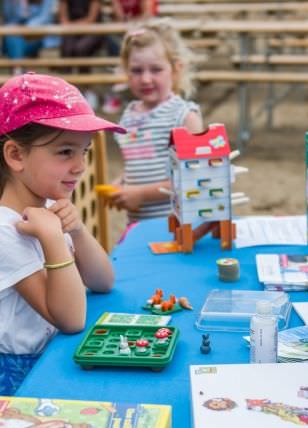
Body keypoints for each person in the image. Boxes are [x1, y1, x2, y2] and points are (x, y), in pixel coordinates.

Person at [0, 72, 126, 395]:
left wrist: (77, 231)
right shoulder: (6, 230)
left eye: (83, 152)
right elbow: (70, 318)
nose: (80, 166)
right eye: (65, 152)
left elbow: (103, 280)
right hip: (18, 382)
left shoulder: (46, 211)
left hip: (49, 360)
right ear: (16, 155)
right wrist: (55, 240)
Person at [111, 18, 203, 223]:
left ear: (176, 69)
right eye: (136, 70)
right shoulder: (128, 115)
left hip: (178, 226)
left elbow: (194, 178)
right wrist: (122, 183)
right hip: (137, 224)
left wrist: (141, 194)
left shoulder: (185, 116)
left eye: (156, 69)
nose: (145, 79)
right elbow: (137, 163)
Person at [59, 0, 104, 109]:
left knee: (81, 49)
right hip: (71, 32)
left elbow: (91, 19)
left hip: (93, 31)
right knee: (67, 48)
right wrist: (72, 27)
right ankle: (65, 91)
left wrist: (72, 26)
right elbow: (63, 19)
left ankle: (86, 90)